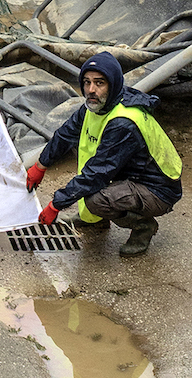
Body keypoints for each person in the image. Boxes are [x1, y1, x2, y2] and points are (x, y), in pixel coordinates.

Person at [26, 51, 182, 257]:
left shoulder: (123, 123)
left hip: (158, 189)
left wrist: (56, 204)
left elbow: (96, 173)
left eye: (99, 83)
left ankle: (143, 226)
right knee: (92, 190)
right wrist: (40, 165)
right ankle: (97, 220)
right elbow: (65, 135)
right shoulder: (96, 106)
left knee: (96, 199)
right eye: (87, 82)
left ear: (113, 84)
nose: (91, 90)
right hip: (132, 175)